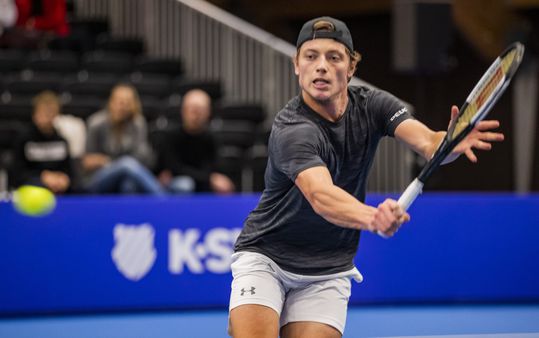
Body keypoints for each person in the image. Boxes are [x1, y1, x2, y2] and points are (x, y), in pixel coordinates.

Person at [228, 17, 504, 338]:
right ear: (297, 66)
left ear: (351, 68)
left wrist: (451, 142)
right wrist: (375, 218)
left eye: (334, 57)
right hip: (268, 257)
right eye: (311, 56)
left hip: (328, 268)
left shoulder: (375, 105)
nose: (321, 66)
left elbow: (429, 142)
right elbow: (321, 196)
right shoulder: (292, 129)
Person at [82, 83, 163, 195]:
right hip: (97, 178)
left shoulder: (138, 123)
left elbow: (142, 156)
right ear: (111, 102)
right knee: (126, 163)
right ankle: (162, 198)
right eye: (119, 101)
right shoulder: (96, 123)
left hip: (128, 174)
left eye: (127, 102)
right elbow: (88, 161)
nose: (123, 106)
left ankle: (129, 212)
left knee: (128, 185)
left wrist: (108, 160)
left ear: (134, 105)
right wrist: (115, 163)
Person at [156, 89, 235, 194]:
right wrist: (209, 179)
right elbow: (174, 169)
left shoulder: (212, 138)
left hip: (204, 186)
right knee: (184, 184)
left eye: (200, 110)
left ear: (208, 112)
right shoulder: (171, 137)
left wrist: (213, 179)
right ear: (183, 111)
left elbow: (217, 168)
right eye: (192, 110)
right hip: (176, 187)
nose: (196, 115)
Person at [12, 90, 74, 194]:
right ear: (35, 114)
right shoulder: (24, 139)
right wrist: (43, 177)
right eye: (44, 112)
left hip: (58, 188)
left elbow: (69, 171)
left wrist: (63, 179)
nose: (48, 117)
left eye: (51, 112)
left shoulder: (62, 141)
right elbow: (17, 173)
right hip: (32, 188)